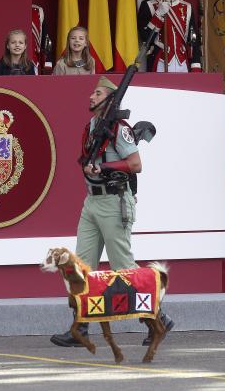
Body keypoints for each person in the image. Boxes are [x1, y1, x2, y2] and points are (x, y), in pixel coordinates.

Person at [50, 76, 173, 348]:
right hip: (92, 203)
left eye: (97, 94)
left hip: (114, 202)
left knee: (124, 269)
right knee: (79, 267)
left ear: (109, 99)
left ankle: (159, 319)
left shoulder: (119, 128)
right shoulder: (93, 125)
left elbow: (135, 164)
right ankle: (80, 328)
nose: (91, 97)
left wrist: (104, 169)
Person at [137, 0, 201, 72]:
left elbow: (193, 39)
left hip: (183, 63)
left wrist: (196, 66)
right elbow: (145, 37)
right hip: (160, 62)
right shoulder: (148, 5)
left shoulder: (186, 7)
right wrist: (158, 15)